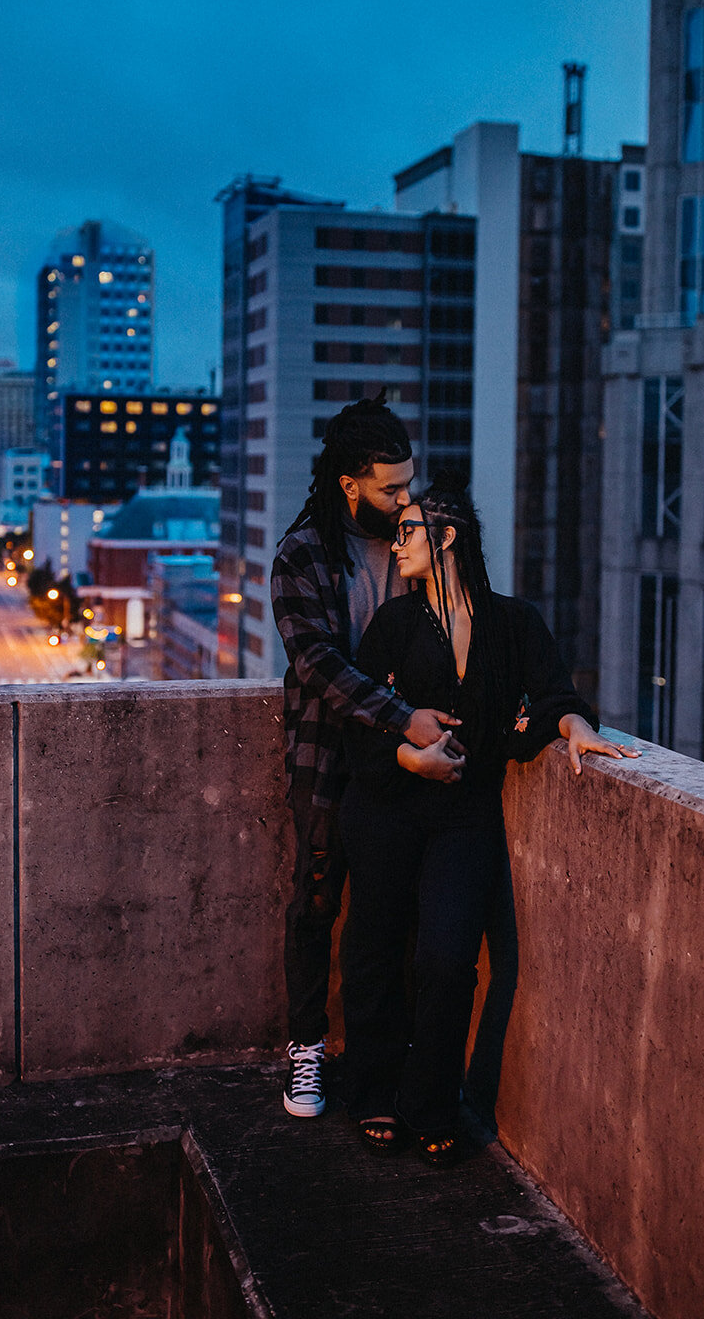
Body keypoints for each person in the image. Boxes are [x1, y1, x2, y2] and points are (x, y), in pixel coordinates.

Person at [340, 481, 641, 1165]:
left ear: (445, 539)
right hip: (386, 808)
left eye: (408, 532)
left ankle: (430, 1102)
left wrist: (574, 728)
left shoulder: (515, 623)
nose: (397, 544)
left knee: (449, 959)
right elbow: (355, 720)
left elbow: (554, 693)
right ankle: (373, 1090)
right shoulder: (390, 624)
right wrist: (408, 759)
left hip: (463, 819)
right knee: (376, 950)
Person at [269, 395, 463, 1120]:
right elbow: (317, 665)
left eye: (408, 483)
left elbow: (459, 630)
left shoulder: (418, 544)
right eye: (389, 487)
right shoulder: (302, 555)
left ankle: (388, 1065)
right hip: (330, 759)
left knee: (392, 914)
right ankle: (306, 1053)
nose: (403, 498)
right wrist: (402, 721)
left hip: (404, 764)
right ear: (349, 484)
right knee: (317, 902)